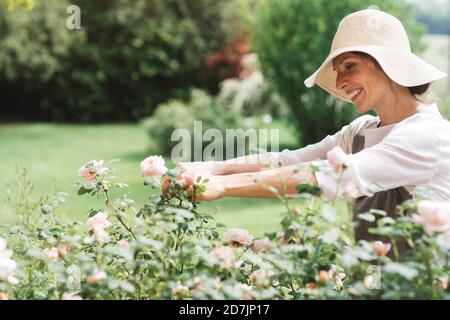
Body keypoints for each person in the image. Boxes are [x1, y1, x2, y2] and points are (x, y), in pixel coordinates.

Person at [174, 9, 450, 241]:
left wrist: (223, 186)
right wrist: (212, 168)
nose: (340, 81)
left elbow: (329, 176)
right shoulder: (360, 131)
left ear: (388, 64)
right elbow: (287, 161)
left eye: (349, 66)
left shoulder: (427, 135)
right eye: (338, 71)